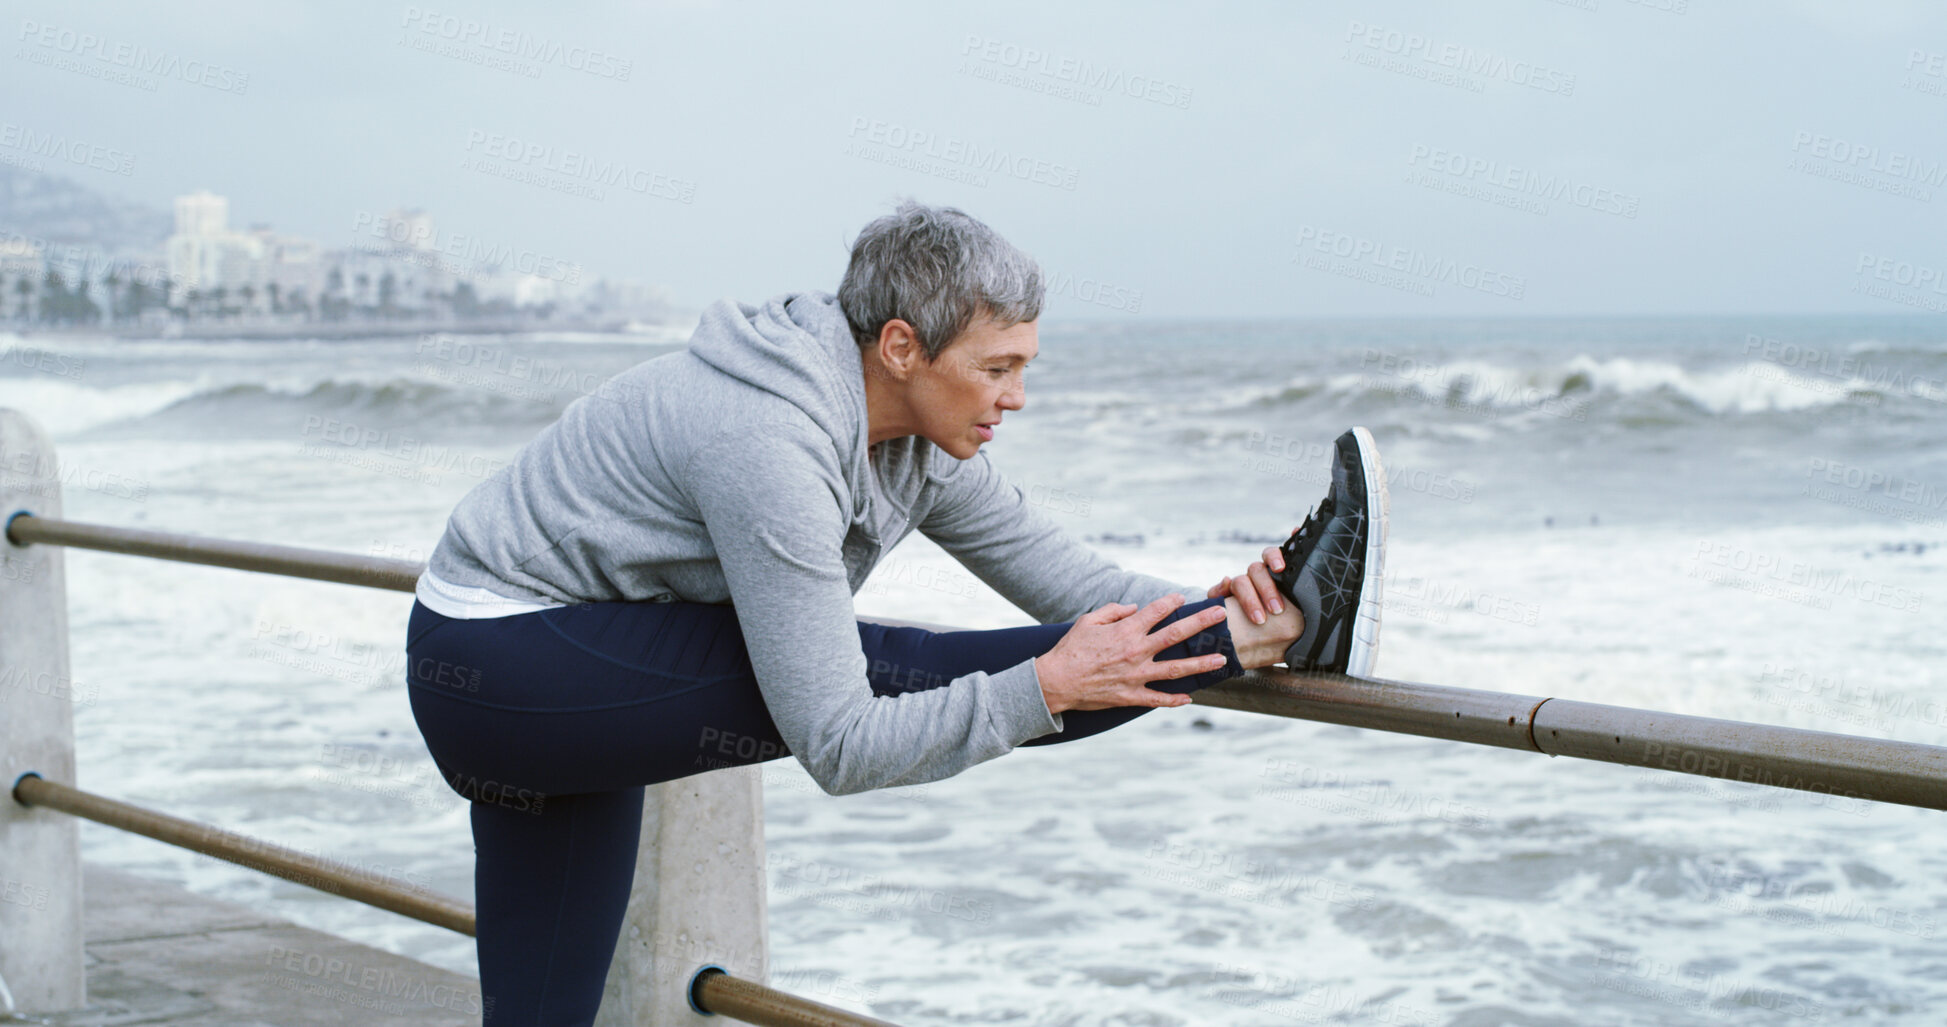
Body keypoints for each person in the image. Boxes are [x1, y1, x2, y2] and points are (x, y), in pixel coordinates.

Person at [402, 200, 1388, 1025]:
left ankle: (1269, 623)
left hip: (571, 669)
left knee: (539, 1013)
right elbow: (841, 737)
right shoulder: (771, 441)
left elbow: (1074, 584)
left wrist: (1222, 599)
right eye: (997, 367)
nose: (1018, 395)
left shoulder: (916, 437)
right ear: (902, 345)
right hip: (507, 664)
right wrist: (1050, 687)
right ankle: (1278, 634)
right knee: (877, 664)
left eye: (1025, 365)